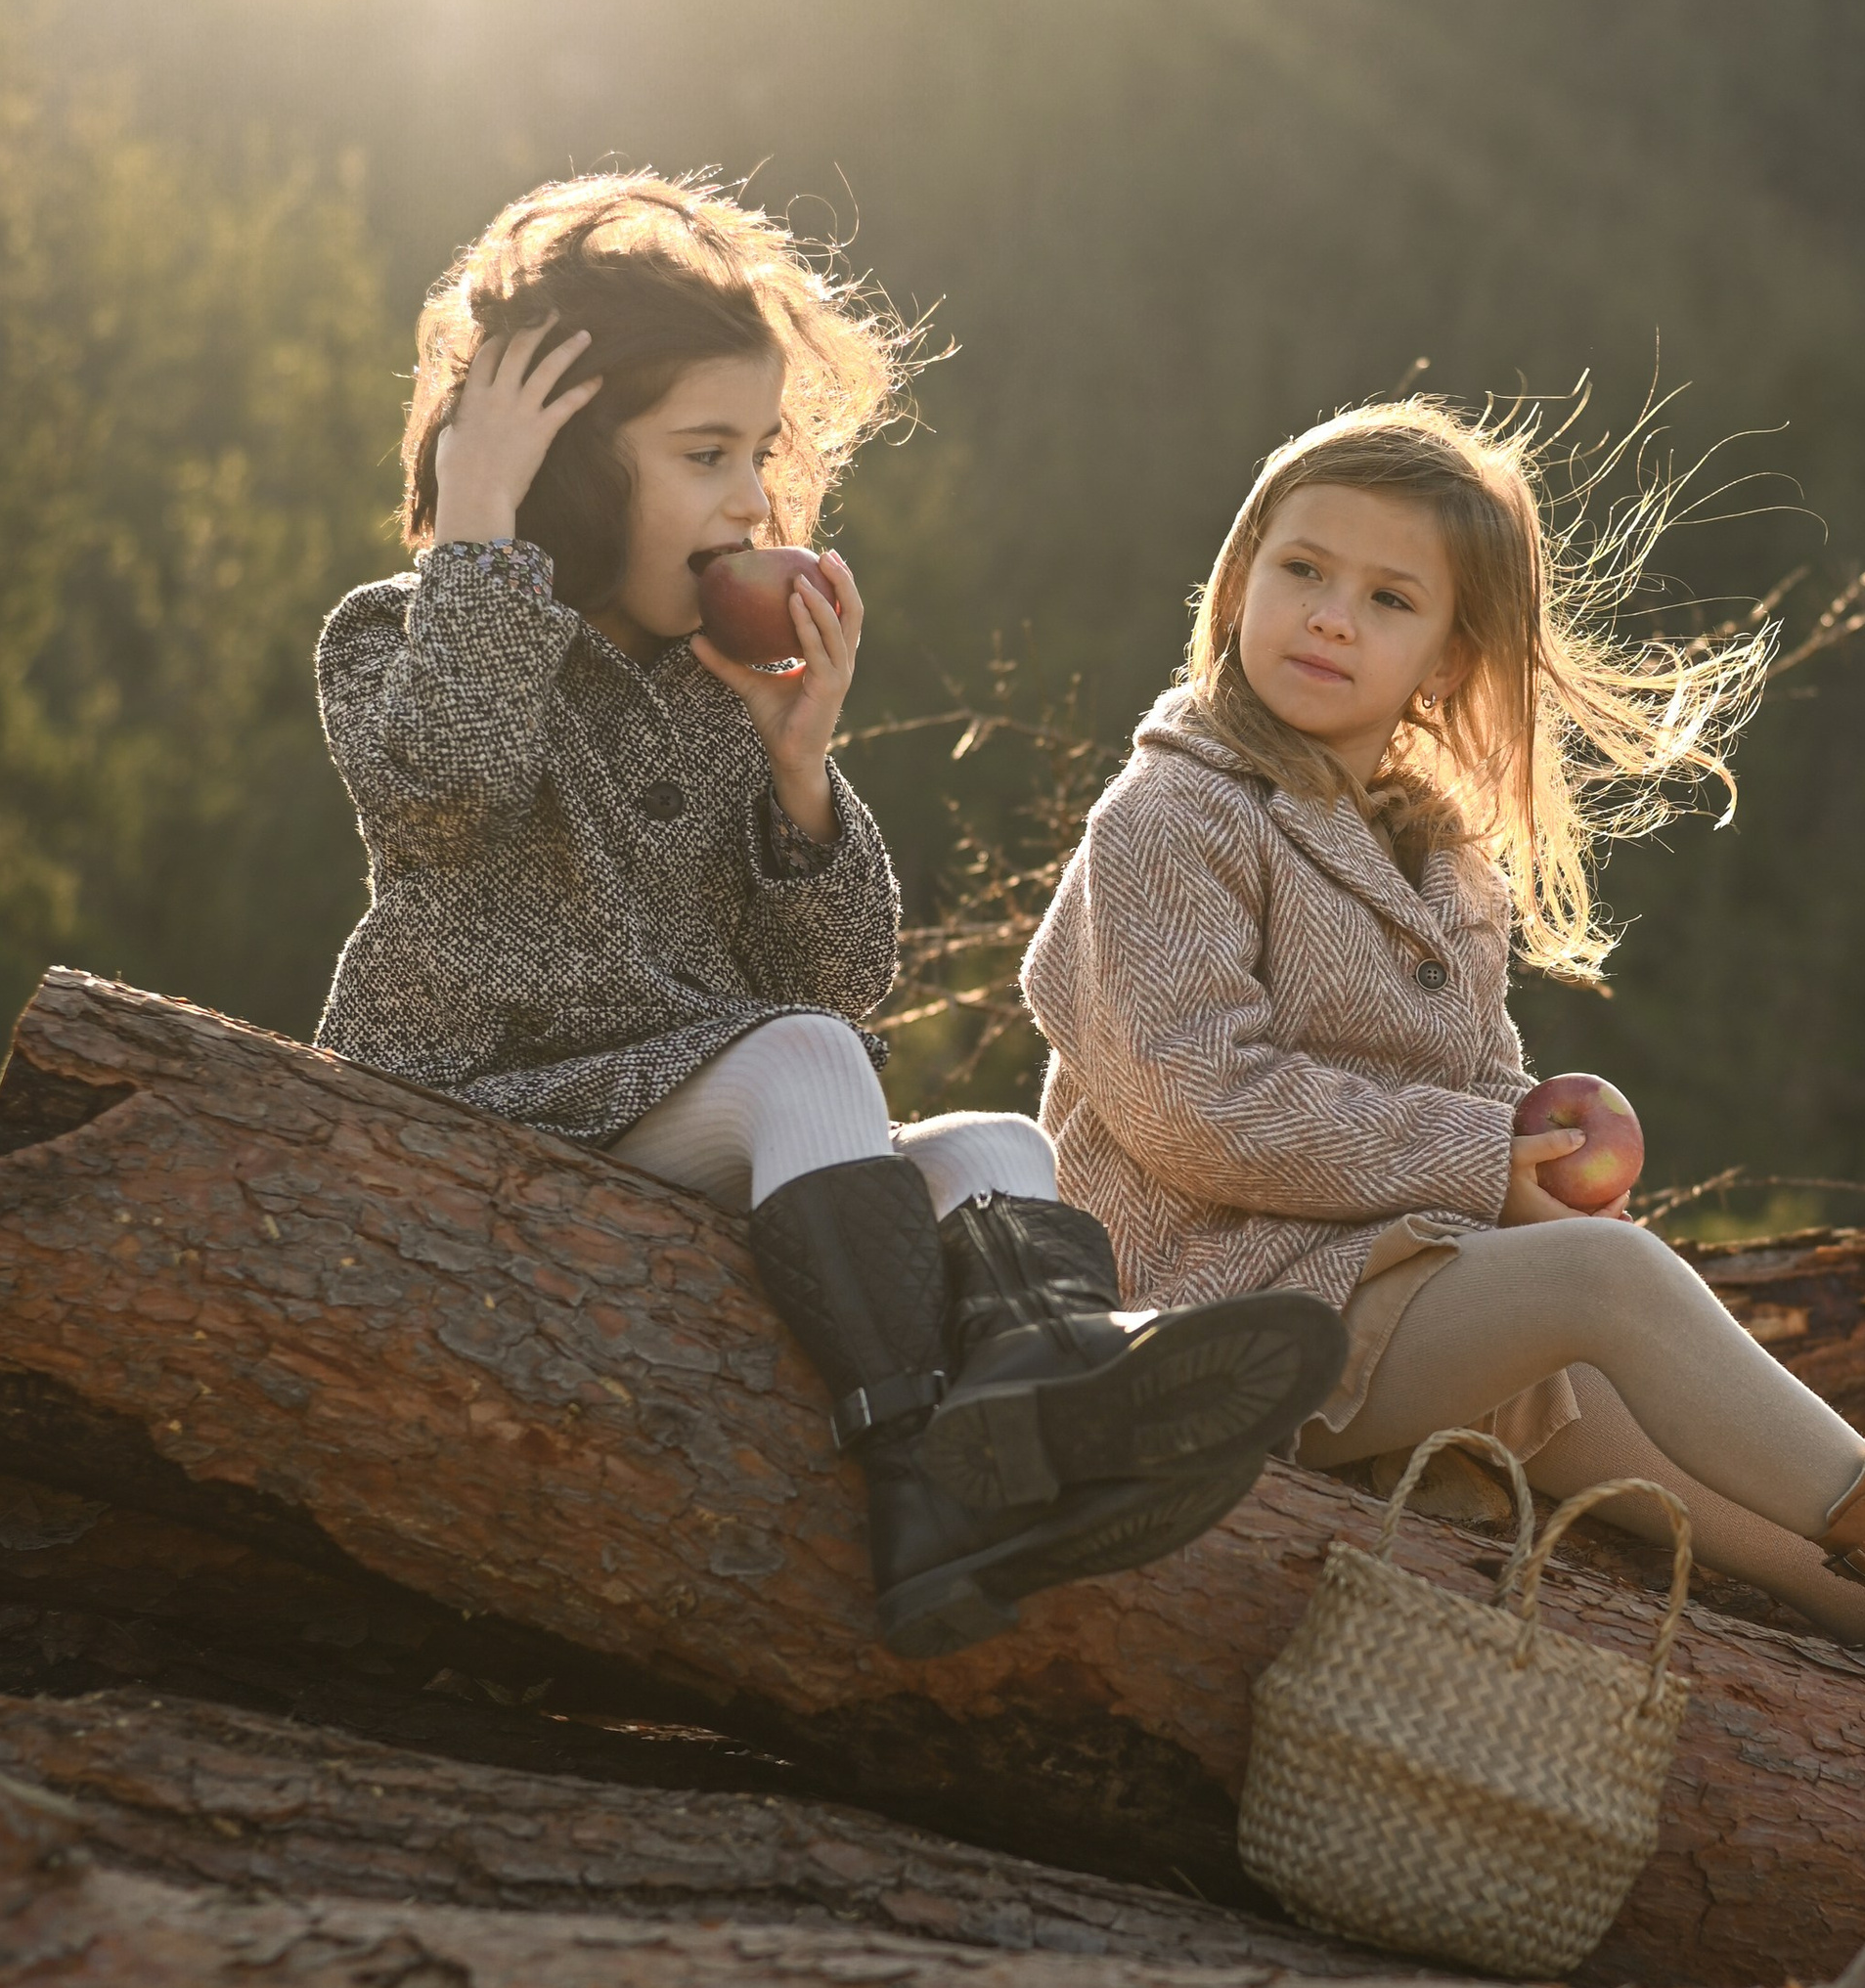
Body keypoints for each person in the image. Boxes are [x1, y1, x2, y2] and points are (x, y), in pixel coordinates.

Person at [1024, 400, 1865, 1796]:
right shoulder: (1171, 819)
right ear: (1238, 580)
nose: (1330, 617)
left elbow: (1484, 1094)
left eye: (1388, 596)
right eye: (1301, 570)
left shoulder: (1438, 864)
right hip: (1207, 1322)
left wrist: (1522, 1146)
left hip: (1388, 1292)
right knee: (1605, 1280)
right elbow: (1198, 1106)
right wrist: (1496, 1160)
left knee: (1777, 1540)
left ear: (1448, 655)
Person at [314, 173, 1343, 1659]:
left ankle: (1042, 1420)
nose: (753, 499)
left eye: (763, 453)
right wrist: (480, 535)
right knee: (798, 1062)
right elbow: (446, 790)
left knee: (997, 1146)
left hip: (670, 1117)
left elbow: (845, 986)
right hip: (480, 1100)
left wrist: (800, 767)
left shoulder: (714, 699)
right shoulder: (403, 633)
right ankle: (921, 1479)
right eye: (706, 453)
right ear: (575, 472)